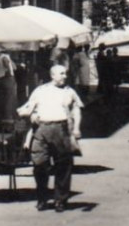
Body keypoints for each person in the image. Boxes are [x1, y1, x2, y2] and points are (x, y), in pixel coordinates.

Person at [17, 64, 83, 211]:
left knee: (63, 166)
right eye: (62, 74)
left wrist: (77, 128)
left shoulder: (69, 92)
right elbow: (27, 108)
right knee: (39, 165)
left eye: (65, 73)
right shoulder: (40, 91)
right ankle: (42, 198)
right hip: (42, 129)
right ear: (52, 75)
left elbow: (76, 110)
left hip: (62, 130)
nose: (65, 76)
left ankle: (60, 200)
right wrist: (31, 114)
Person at [0, 52, 19, 124]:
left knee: (9, 98)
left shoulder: (2, 58)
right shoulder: (4, 57)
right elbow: (11, 68)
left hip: (4, 78)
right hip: (8, 78)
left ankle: (8, 118)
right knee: (10, 99)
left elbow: (14, 67)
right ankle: (9, 118)